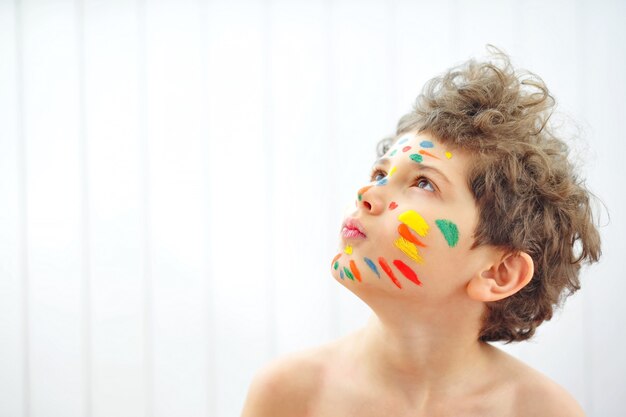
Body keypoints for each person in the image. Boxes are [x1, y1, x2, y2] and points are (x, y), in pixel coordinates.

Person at [240, 45, 601, 417]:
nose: (367, 194)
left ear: (498, 272)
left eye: (424, 183)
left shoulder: (540, 411)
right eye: (380, 174)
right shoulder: (289, 394)